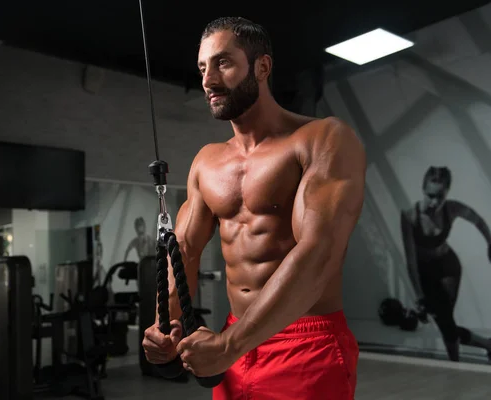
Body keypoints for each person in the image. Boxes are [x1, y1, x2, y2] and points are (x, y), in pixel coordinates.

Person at [142, 17, 366, 399]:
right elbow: (183, 249)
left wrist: (230, 344)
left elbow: (317, 254)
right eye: (202, 68)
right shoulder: (207, 161)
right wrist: (167, 323)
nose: (208, 81)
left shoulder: (322, 139)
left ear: (262, 67)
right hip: (234, 343)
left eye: (223, 63)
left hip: (305, 343)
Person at [401, 166, 491, 362]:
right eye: (430, 195)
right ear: (423, 189)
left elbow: (479, 221)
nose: (434, 202)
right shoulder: (409, 217)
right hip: (425, 272)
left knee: (445, 318)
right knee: (445, 323)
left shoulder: (452, 208)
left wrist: (489, 243)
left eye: (440, 197)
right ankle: (486, 344)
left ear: (447, 193)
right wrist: (419, 298)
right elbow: (411, 262)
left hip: (448, 267)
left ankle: (455, 366)